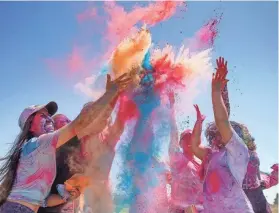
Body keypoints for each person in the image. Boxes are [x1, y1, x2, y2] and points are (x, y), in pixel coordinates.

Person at [0, 73, 132, 213]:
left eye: (50, 117)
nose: (49, 120)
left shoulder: (40, 158)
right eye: (43, 116)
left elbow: (44, 201)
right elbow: (83, 122)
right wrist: (111, 93)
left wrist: (66, 196)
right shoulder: (39, 143)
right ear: (30, 125)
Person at [190, 57, 254, 213]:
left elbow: (222, 121)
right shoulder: (213, 155)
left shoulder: (239, 151)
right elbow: (194, 147)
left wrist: (217, 91)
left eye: (226, 132)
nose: (218, 134)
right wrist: (198, 123)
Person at [38, 114, 85, 213]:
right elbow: (42, 199)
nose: (69, 122)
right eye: (64, 121)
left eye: (68, 120)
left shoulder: (77, 150)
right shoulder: (45, 153)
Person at [168, 92, 203, 213]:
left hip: (197, 209)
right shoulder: (176, 156)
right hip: (177, 209)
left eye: (191, 138)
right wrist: (171, 106)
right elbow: (173, 131)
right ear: (180, 143)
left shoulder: (200, 164)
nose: (189, 140)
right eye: (185, 138)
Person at [242, 139, 272, 213]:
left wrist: (261, 181)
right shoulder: (235, 153)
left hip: (257, 193)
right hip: (243, 193)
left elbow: (257, 172)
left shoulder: (254, 154)